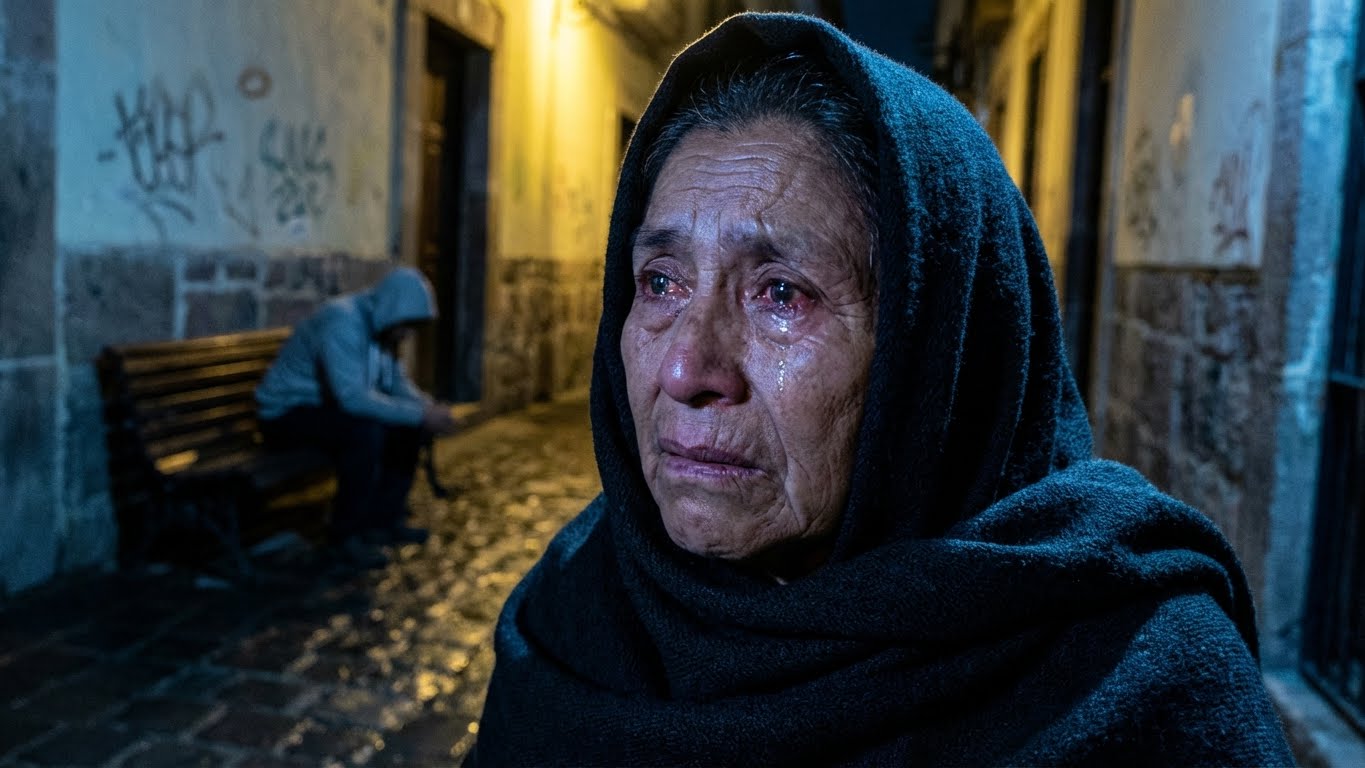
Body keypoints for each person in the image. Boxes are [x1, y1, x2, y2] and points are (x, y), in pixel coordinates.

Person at [467, 13, 1294, 767]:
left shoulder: (1137, 677)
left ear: (934, 353)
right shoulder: (577, 618)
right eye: (660, 281)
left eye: (781, 294)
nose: (686, 371)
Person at [256, 266, 458, 569]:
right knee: (363, 433)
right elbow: (351, 398)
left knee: (406, 429)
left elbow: (394, 383)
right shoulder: (343, 321)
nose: (408, 334)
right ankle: (344, 535)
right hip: (286, 413)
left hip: (323, 408)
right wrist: (420, 413)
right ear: (393, 311)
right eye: (408, 325)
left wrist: (426, 409)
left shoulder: (381, 327)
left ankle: (384, 519)